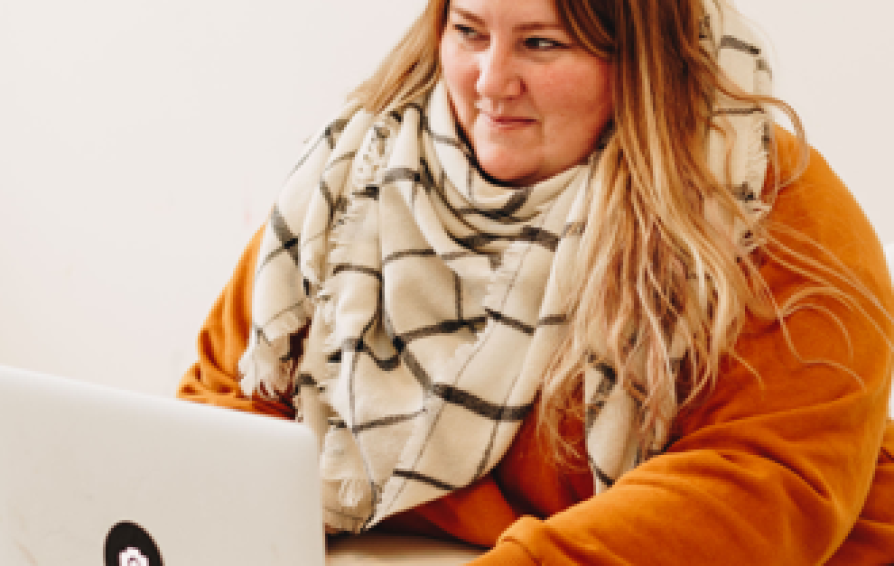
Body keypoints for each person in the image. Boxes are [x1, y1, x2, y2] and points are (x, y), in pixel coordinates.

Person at [178, 0, 894, 563]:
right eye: (468, 31)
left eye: (541, 42)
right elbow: (226, 411)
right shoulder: (355, 184)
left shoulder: (761, 201)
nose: (491, 83)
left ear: (643, 58)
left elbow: (761, 483)